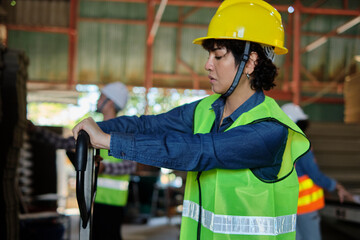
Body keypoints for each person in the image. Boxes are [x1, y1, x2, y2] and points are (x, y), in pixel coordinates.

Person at [72, 1, 310, 239]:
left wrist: (109, 141)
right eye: (209, 55)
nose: (207, 65)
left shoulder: (269, 130)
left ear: (250, 62)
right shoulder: (206, 109)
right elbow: (149, 125)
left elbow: (201, 151)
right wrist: (95, 129)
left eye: (218, 56)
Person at [28, 82, 136, 240]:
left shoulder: (124, 133)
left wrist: (104, 168)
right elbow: (63, 143)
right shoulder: (96, 130)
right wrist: (36, 131)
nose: (98, 99)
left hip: (113, 203)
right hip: (95, 198)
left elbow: (130, 166)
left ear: (110, 102)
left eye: (102, 96)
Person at [281, 103, 354, 240]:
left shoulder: (279, 144)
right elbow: (315, 175)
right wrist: (336, 186)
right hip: (305, 207)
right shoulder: (301, 144)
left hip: (287, 207)